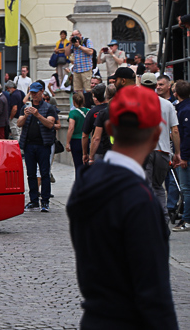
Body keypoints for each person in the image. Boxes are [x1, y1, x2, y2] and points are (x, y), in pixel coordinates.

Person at [66, 85, 178, 330]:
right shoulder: (141, 201)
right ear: (155, 134)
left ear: (109, 128)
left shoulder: (84, 184)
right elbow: (154, 293)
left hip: (94, 319)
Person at [139, 73, 179, 224]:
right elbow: (174, 131)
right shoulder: (167, 104)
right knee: (159, 187)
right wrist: (177, 153)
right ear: (155, 85)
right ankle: (163, 221)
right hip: (163, 152)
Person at [18, 82, 58, 212]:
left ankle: (45, 201)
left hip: (43, 145)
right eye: (32, 92)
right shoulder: (25, 107)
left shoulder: (49, 107)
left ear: (42, 92)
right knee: (30, 174)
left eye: (36, 92)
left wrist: (38, 115)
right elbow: (19, 123)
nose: (34, 95)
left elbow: (50, 124)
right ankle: (33, 200)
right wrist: (26, 115)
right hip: (29, 145)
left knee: (45, 173)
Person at [173, 80, 190, 232]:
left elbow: (186, 135)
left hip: (187, 155)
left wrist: (183, 156)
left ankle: (187, 219)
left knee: (186, 188)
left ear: (176, 93)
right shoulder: (182, 108)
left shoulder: (184, 110)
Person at [82, 83, 109, 165]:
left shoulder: (92, 112)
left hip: (99, 150)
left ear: (96, 98)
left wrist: (86, 154)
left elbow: (85, 135)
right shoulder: (113, 109)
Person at [65, 30, 95, 103]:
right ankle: (80, 105)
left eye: (76, 35)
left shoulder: (87, 41)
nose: (74, 37)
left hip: (86, 69)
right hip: (77, 70)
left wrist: (79, 46)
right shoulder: (72, 43)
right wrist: (70, 43)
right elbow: (66, 53)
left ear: (80, 35)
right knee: (78, 90)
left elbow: (91, 51)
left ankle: (89, 104)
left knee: (88, 89)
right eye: (72, 35)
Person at [66, 93, 89, 172]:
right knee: (88, 164)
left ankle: (80, 182)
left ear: (74, 102)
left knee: (78, 164)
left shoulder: (73, 113)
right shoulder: (88, 111)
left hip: (76, 140)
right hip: (88, 139)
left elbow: (71, 127)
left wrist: (67, 142)